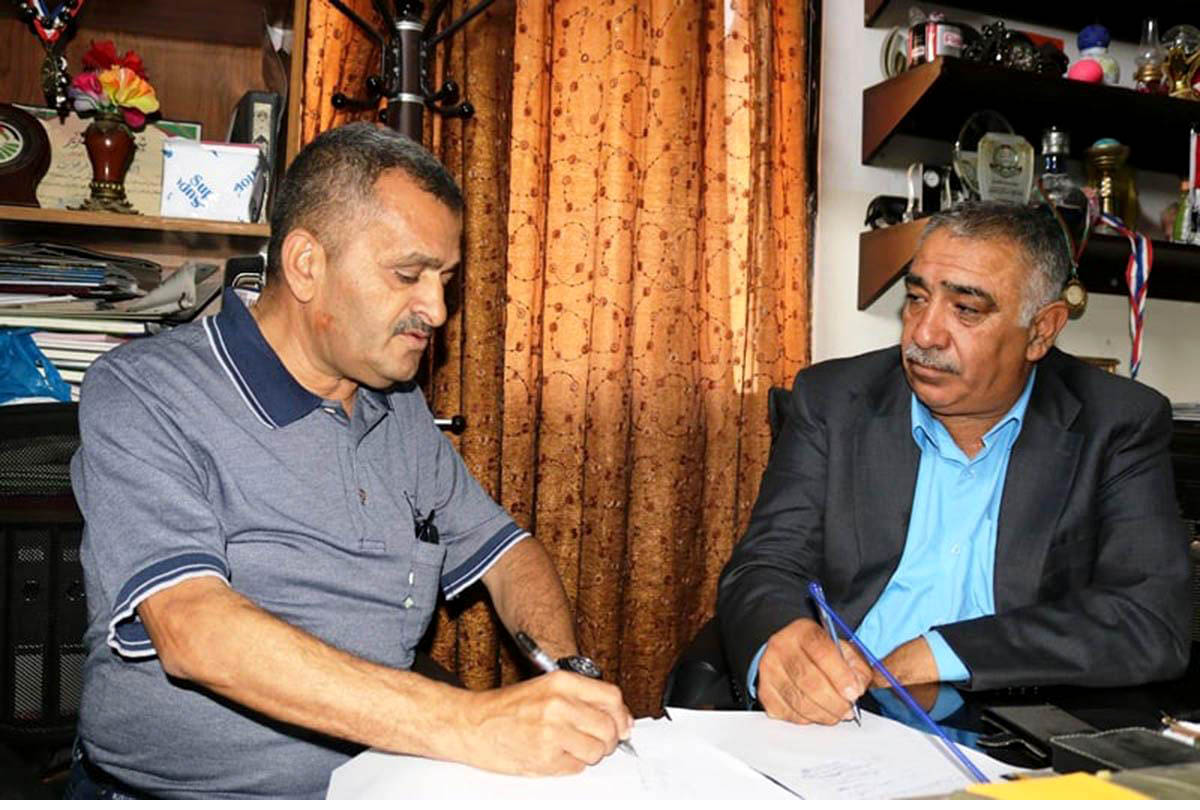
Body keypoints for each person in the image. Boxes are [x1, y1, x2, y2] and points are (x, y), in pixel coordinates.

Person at [67, 123, 632, 798]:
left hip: (381, 784)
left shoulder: (398, 408)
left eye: (445, 279)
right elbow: (193, 629)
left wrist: (566, 675)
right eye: (408, 275)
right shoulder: (143, 391)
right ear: (307, 264)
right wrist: (471, 722)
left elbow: (509, 554)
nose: (437, 310)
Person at [717, 200, 1191, 726]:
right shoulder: (834, 399)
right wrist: (782, 640)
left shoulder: (1117, 423)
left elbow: (1150, 618)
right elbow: (764, 566)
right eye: (917, 298)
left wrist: (940, 652)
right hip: (838, 717)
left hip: (999, 724)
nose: (924, 334)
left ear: (1041, 330)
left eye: (966, 309)